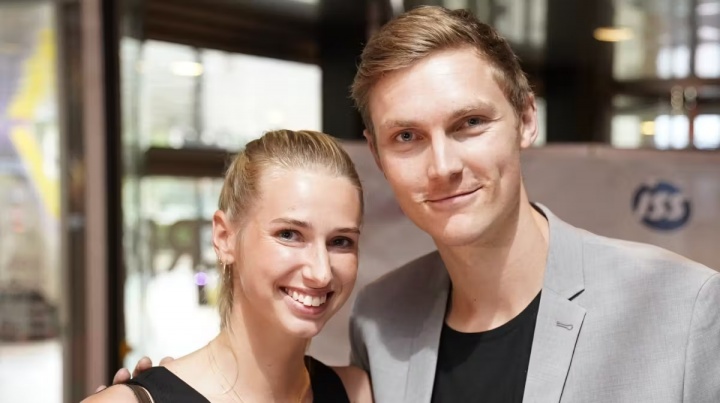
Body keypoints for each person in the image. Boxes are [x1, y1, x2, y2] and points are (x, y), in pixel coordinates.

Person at [115, 5, 720, 403]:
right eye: (407, 136)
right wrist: (169, 388)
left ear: (525, 119)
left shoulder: (682, 306)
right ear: (380, 156)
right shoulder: (382, 322)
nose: (443, 165)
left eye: (469, 123)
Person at [84, 129, 372, 402]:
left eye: (341, 241)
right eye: (289, 234)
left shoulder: (356, 392)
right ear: (225, 238)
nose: (321, 273)